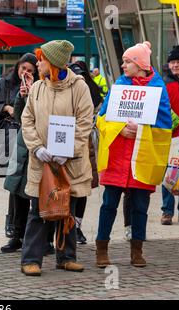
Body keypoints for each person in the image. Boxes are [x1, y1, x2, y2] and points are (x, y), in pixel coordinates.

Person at [95, 41, 172, 268]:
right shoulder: (119, 84)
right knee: (108, 204)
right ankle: (102, 249)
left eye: (128, 61)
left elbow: (164, 125)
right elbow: (102, 117)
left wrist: (141, 131)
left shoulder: (158, 88)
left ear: (140, 64)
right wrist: (121, 129)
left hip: (142, 158)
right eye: (124, 61)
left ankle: (137, 251)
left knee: (140, 207)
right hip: (118, 156)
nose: (123, 65)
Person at [20, 40, 94, 276]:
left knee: (67, 210)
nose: (37, 63)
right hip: (41, 160)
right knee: (38, 211)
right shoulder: (38, 88)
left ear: (52, 63)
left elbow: (85, 123)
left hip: (69, 163)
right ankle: (31, 259)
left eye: (41, 59)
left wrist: (68, 150)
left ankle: (66, 257)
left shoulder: (79, 87)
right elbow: (27, 119)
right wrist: (37, 146)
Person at [0, 53, 40, 252]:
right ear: (17, 68)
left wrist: (30, 94)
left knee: (30, 188)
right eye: (23, 69)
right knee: (14, 186)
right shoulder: (4, 83)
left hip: (30, 141)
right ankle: (15, 233)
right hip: (9, 137)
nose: (25, 73)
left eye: (30, 71)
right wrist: (6, 107)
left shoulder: (40, 88)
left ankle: (32, 236)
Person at [68, 60, 103, 245]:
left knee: (81, 188)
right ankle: (66, 226)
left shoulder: (93, 91)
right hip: (65, 140)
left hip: (85, 144)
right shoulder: (65, 88)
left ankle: (77, 227)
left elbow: (97, 114)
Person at [161, 45, 179, 225]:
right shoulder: (164, 84)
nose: (175, 65)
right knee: (169, 174)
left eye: (178, 62)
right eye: (172, 62)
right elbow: (161, 108)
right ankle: (167, 211)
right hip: (170, 136)